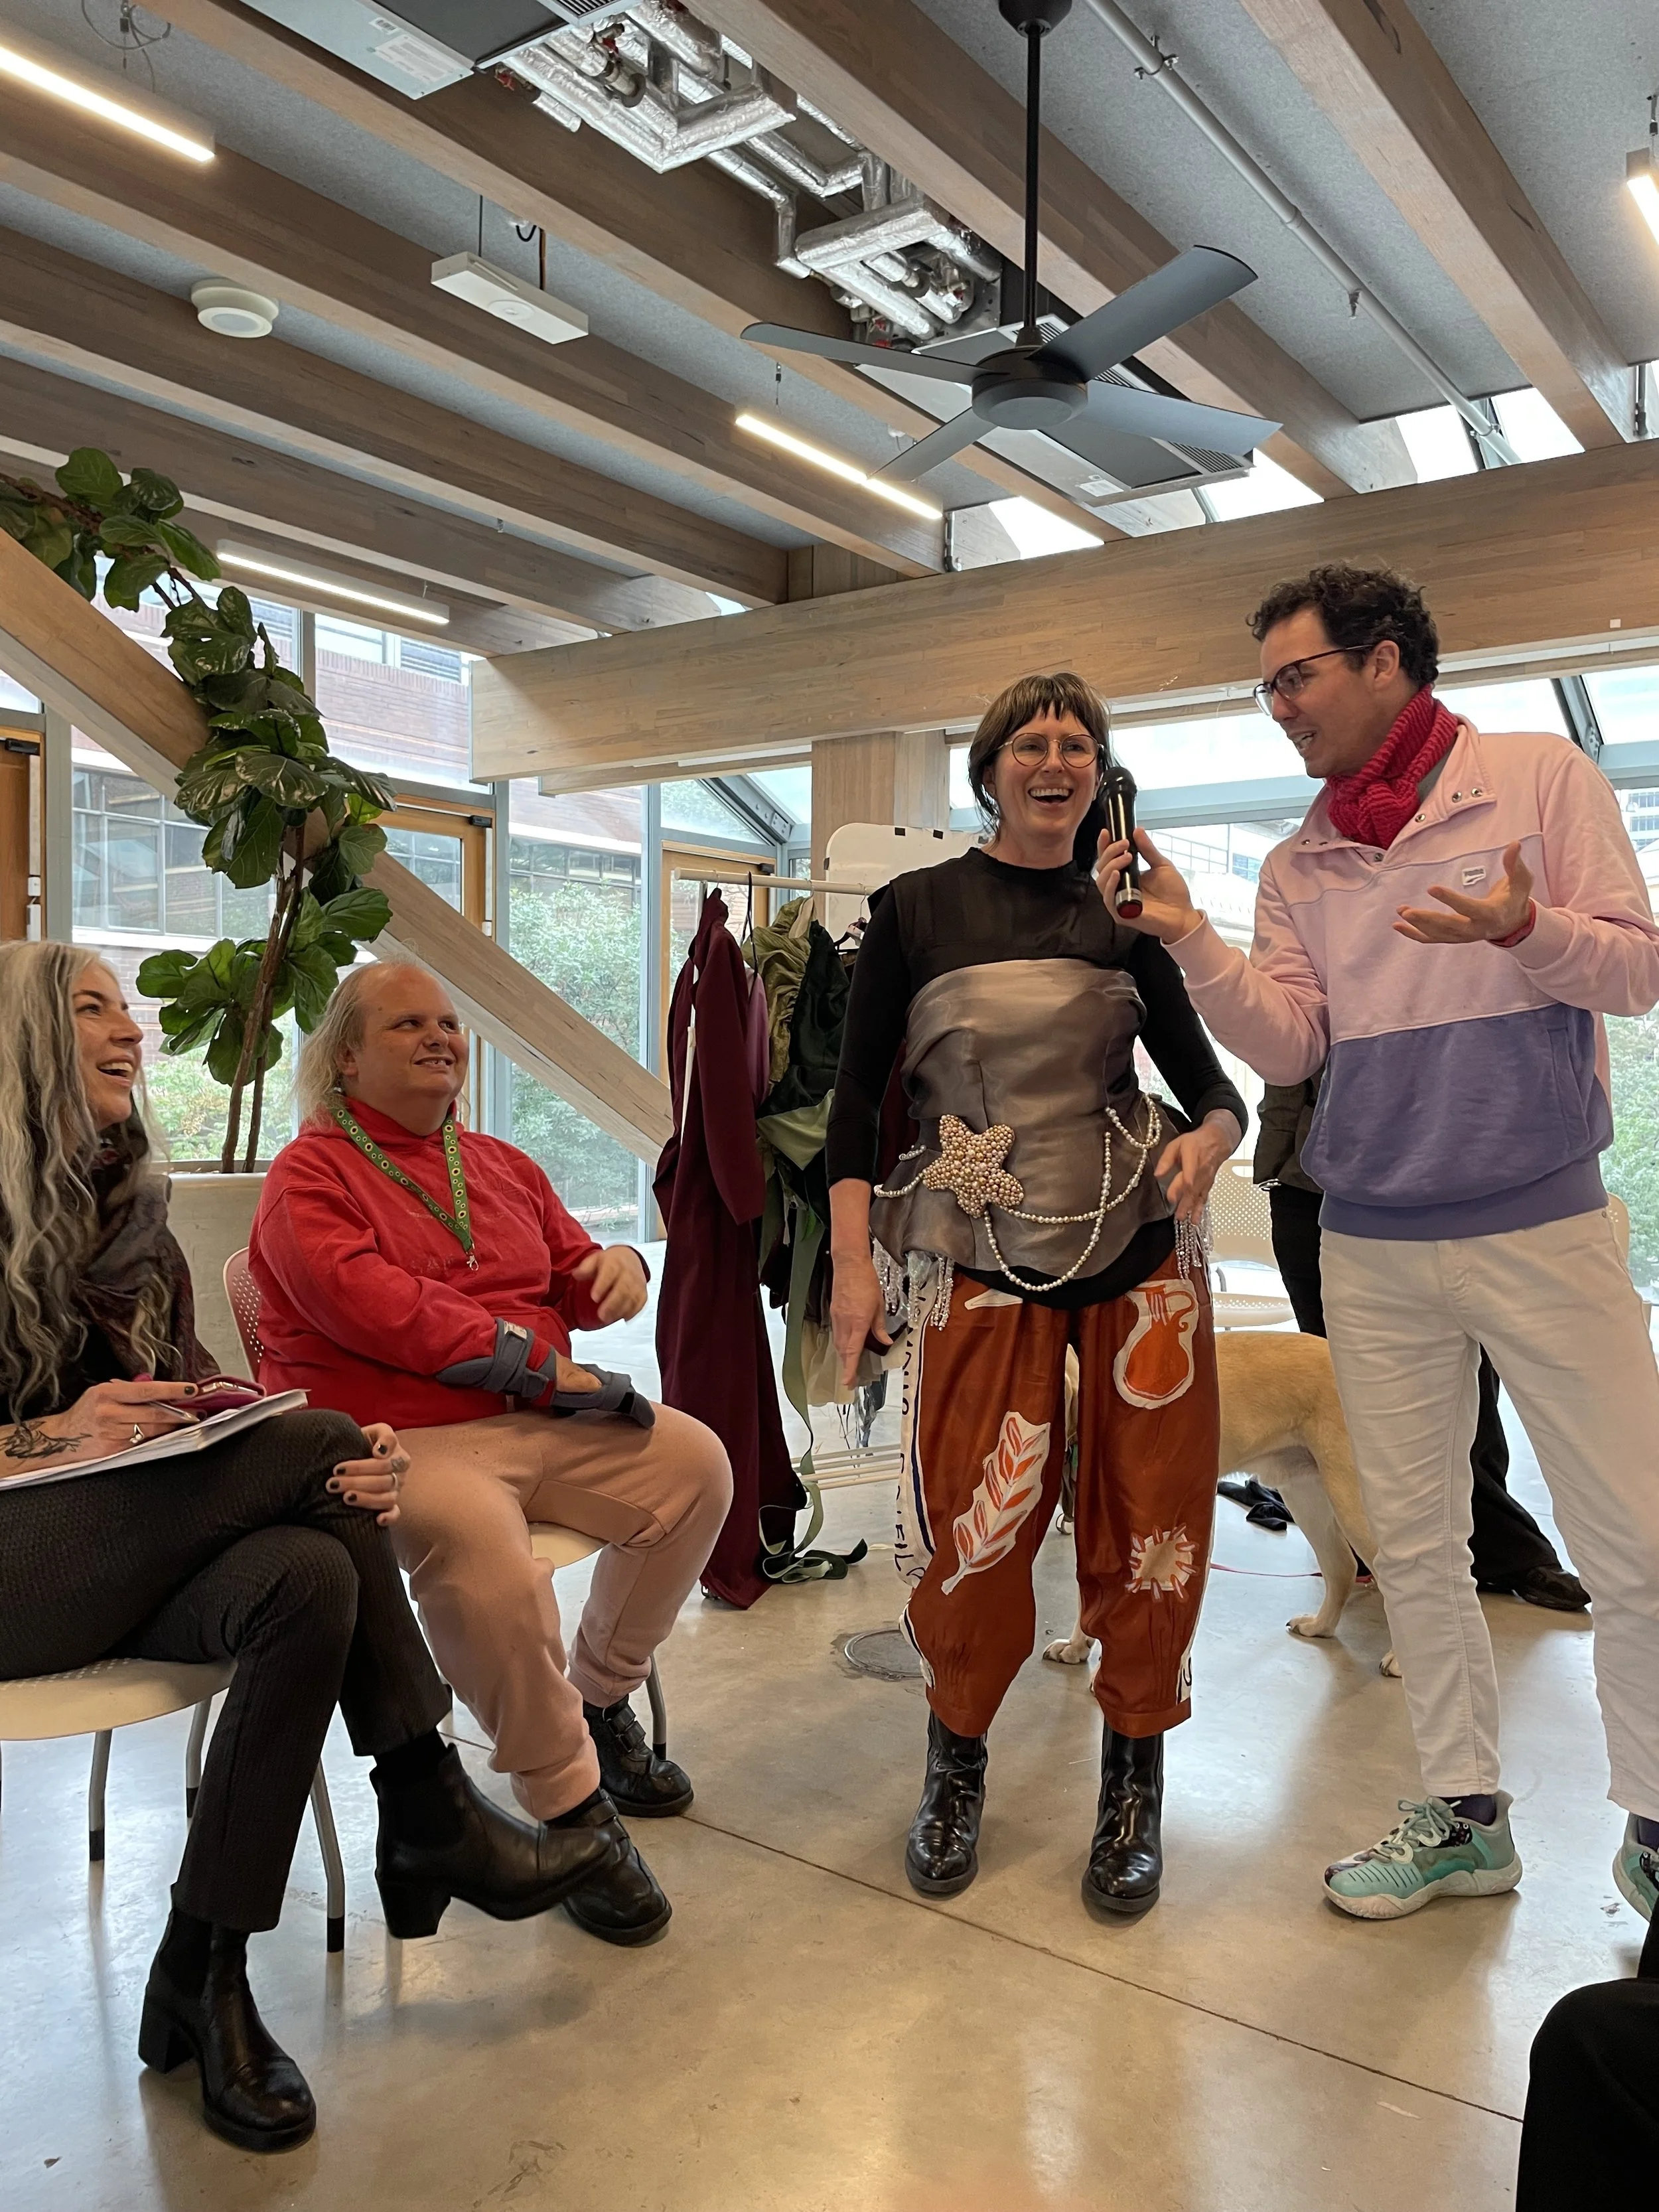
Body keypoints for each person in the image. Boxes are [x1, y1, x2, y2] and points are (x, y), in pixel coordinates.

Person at [1098, 562, 1659, 1923]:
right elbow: (1293, 1043)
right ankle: (1464, 1819)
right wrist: (1186, 939)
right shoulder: (1300, 860)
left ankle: (1653, 1827)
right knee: (1411, 1541)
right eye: (1266, 685)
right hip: (1371, 1241)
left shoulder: (1535, 778)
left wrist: (1524, 928)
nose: (1278, 707)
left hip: (1542, 1219)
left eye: (1296, 676)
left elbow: (1635, 969)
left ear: (1386, 662)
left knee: (1631, 1535)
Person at [0, 943, 626, 2155]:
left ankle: (205, 1967)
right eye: (91, 1009)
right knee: (324, 1440)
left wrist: (236, 1421)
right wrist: (41, 1431)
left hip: (123, 1557)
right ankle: (424, 1796)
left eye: (128, 1008)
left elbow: (180, 1398)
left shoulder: (135, 1212)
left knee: (313, 1566)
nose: (129, 1028)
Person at [827, 672, 1246, 1918]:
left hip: (1140, 1242)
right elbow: (856, 1106)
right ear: (991, 767)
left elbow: (1215, 1087)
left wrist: (1213, 1140)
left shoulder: (1131, 910)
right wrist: (853, 1266)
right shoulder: (914, 908)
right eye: (1032, 741)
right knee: (974, 1521)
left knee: (1154, 1522)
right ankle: (954, 1766)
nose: (1055, 759)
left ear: (1103, 772)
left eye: (1078, 743)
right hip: (974, 1240)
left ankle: (1135, 1785)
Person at [250, 962, 732, 1947]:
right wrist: (549, 1372)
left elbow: (572, 1272)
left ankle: (598, 1699)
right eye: (408, 1024)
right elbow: (392, 1318)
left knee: (695, 1467)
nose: (442, 1037)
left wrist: (620, 1270)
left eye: (450, 1020)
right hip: (399, 1437)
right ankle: (569, 1805)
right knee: (479, 1547)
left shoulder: (498, 1161)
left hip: (538, 1411)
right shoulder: (309, 1175)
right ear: (345, 1056)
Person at [1255, 1073, 1589, 1611]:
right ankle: (1370, 1545)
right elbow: (1286, 1057)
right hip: (1309, 1184)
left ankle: (1500, 1548)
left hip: (1441, 1179)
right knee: (1337, 1388)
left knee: (1466, 1384)